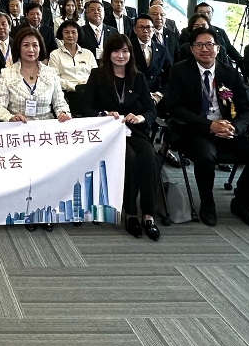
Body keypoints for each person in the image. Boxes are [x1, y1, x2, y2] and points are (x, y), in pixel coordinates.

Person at [158, 30, 249, 227]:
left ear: (218, 48)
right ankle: (207, 202)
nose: (205, 49)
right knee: (206, 156)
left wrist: (235, 128)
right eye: (199, 45)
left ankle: (242, 203)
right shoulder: (179, 71)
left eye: (209, 44)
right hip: (194, 130)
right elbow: (174, 107)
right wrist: (209, 125)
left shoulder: (230, 73)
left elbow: (245, 110)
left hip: (228, 130)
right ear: (192, 49)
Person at [79, 34, 161, 240]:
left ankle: (148, 215)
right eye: (116, 51)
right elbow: (84, 107)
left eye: (125, 51)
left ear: (130, 53)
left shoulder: (138, 77)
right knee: (129, 158)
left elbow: (151, 110)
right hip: (108, 133)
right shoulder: (97, 76)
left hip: (134, 130)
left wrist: (141, 117)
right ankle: (130, 213)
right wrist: (102, 114)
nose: (120, 55)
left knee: (149, 157)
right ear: (108, 53)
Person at [0, 26, 72, 124]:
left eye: (35, 45)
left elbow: (60, 103)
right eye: (26, 45)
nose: (31, 49)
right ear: (18, 48)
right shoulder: (6, 73)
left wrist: (63, 113)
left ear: (40, 48)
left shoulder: (51, 73)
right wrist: (10, 117)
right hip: (17, 127)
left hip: (45, 127)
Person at [47, 20, 96, 116]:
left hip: (88, 91)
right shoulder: (55, 54)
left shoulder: (88, 53)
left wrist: (87, 86)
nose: (70, 35)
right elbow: (54, 78)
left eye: (73, 32)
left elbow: (96, 75)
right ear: (61, 34)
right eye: (66, 32)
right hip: (67, 93)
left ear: (78, 34)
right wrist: (72, 87)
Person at [193, 2, 244, 69]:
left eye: (208, 12)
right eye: (202, 12)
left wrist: (242, 60)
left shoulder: (220, 31)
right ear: (196, 14)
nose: (206, 15)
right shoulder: (187, 32)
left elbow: (230, 49)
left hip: (223, 65)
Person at [131, 14, 171, 100]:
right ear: (135, 30)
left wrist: (160, 94)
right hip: (134, 93)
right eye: (141, 27)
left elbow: (170, 74)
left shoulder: (162, 49)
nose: (145, 31)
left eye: (148, 27)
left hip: (156, 93)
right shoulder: (128, 47)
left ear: (153, 29)